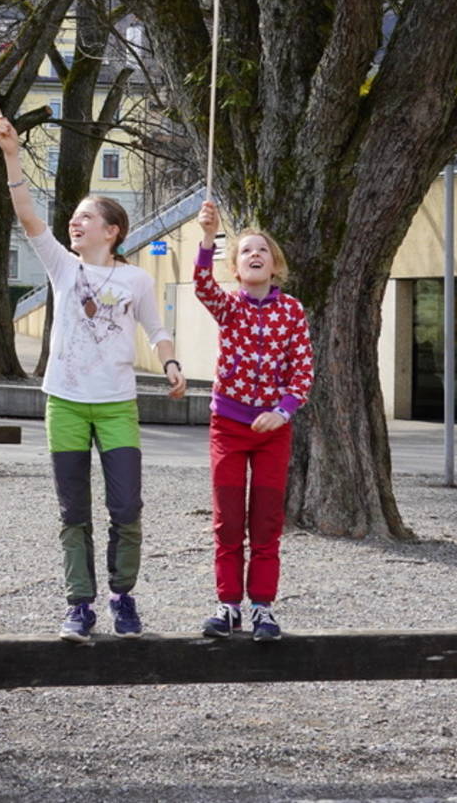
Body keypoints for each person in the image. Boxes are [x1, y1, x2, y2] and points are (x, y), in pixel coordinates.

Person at [0, 116, 186, 642]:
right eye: (74, 218)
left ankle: (123, 596)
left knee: (126, 506)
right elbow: (28, 215)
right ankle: (79, 605)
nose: (75, 224)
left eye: (85, 218)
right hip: (66, 403)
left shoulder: (135, 278)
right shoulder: (61, 267)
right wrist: (13, 155)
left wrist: (169, 362)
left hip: (118, 404)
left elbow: (156, 328)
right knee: (72, 510)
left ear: (112, 230)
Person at [194, 200, 314, 642]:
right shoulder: (229, 308)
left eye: (262, 250)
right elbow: (202, 285)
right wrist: (208, 238)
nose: (255, 255)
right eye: (246, 251)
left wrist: (282, 410)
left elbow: (302, 372)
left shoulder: (292, 311)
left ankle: (262, 607)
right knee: (228, 520)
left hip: (272, 433)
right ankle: (228, 606)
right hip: (228, 426)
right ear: (237, 266)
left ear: (274, 263)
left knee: (265, 521)